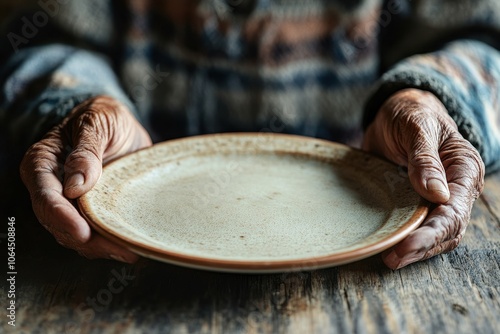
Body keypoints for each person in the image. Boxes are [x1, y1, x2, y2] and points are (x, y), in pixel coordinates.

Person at [1, 0, 499, 269]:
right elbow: (38, 34)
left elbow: (483, 36)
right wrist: (77, 103)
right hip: (130, 240)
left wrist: (429, 99)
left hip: (369, 211)